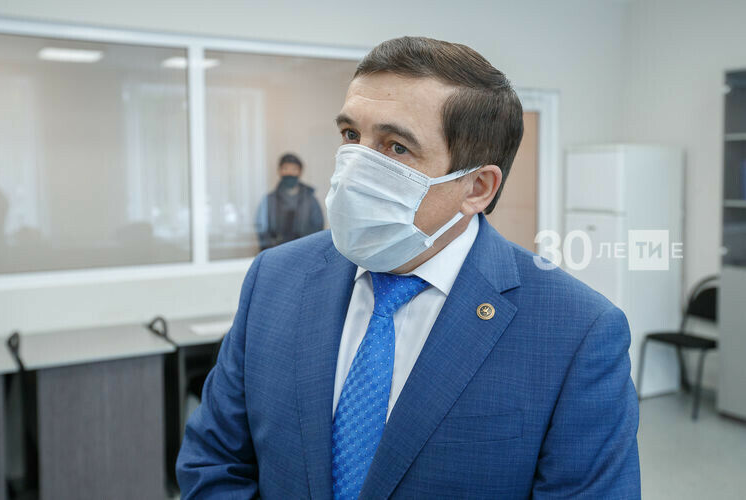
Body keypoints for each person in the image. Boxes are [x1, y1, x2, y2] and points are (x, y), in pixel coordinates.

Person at [177, 36, 640, 499]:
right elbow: (213, 462)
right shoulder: (275, 278)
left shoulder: (577, 331)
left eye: (396, 147)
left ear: (477, 187)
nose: (354, 169)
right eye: (351, 136)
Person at [255, 153, 324, 250]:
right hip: (276, 252)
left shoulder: (310, 199)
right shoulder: (269, 200)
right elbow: (261, 229)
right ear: (279, 171)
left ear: (300, 172)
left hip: (305, 251)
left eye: (294, 169)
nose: (290, 173)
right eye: (285, 168)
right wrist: (273, 248)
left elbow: (318, 227)